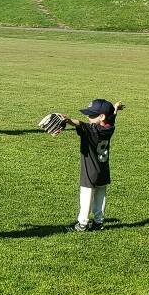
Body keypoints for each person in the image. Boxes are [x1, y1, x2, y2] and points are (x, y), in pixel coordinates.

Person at [53, 99, 124, 232]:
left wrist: (67, 120)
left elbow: (80, 124)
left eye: (92, 115)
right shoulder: (109, 128)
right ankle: (98, 222)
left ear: (101, 116)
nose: (88, 117)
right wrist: (115, 109)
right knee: (100, 197)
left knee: (86, 196)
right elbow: (110, 119)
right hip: (103, 170)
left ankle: (82, 224)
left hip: (90, 171)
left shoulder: (92, 130)